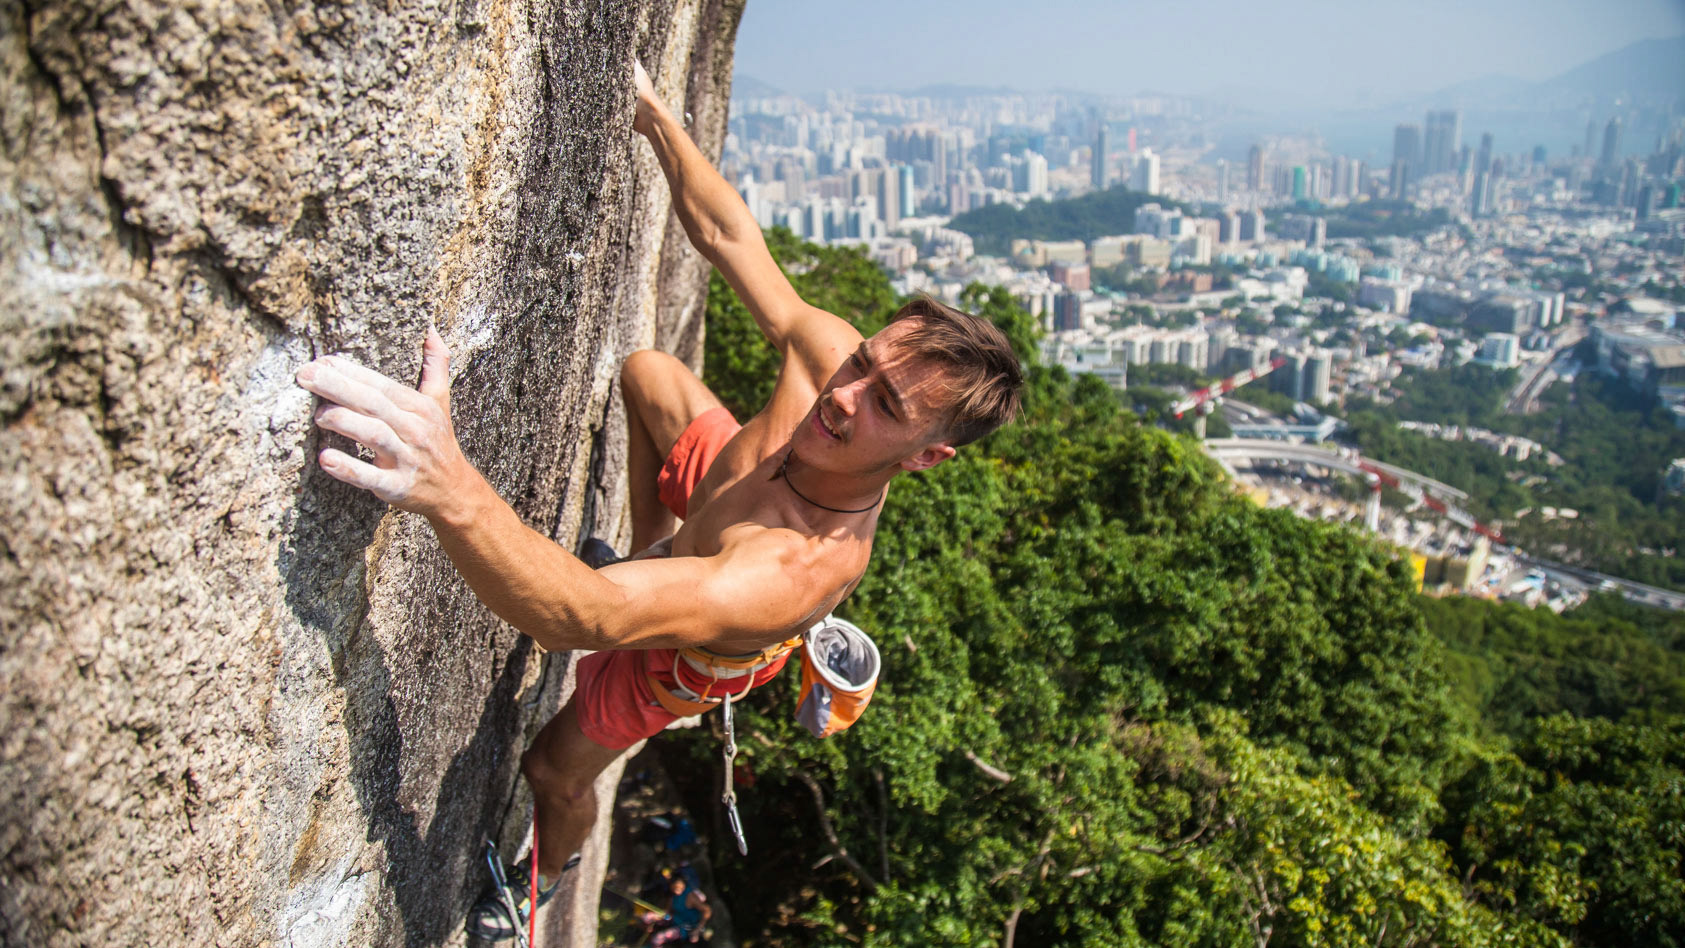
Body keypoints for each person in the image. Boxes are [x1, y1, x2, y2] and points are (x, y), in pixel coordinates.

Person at [292, 60, 1022, 940]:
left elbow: (578, 614)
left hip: (692, 642)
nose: (844, 394)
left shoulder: (788, 571)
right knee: (650, 376)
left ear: (927, 458)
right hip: (713, 506)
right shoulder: (830, 366)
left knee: (553, 770)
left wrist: (448, 482)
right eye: (864, 361)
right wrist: (654, 117)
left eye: (886, 407)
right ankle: (653, 549)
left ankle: (540, 881)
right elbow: (728, 237)